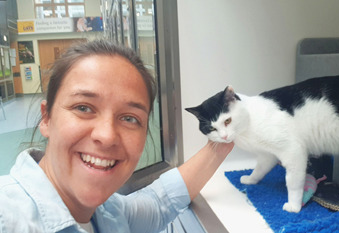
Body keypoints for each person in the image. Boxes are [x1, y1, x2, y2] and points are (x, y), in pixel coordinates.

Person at [0, 40, 234, 233]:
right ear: (47, 118)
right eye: (83, 107)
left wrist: (224, 139)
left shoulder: (110, 215)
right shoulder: (7, 217)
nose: (107, 135)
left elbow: (159, 201)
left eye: (130, 118)